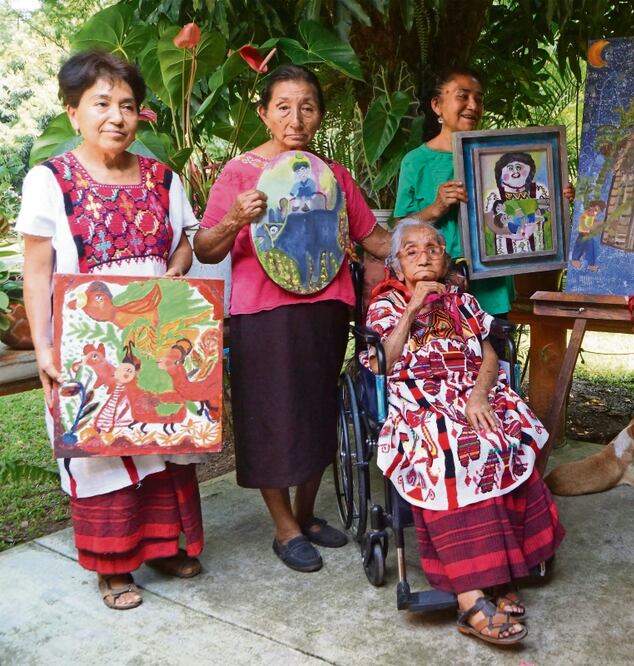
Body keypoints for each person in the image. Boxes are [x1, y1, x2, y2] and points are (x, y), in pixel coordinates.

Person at [19, 51, 204, 610]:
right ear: (73, 112)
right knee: (103, 448)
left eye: (127, 105)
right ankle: (113, 565)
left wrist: (175, 270)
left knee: (162, 438)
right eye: (101, 104)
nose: (116, 117)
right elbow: (36, 270)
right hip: (88, 341)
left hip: (152, 331)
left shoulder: (163, 179)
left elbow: (186, 241)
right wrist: (46, 347)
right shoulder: (49, 180)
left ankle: (164, 547)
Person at [194, 64, 391, 572]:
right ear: (264, 113)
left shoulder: (334, 176)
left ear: (320, 115)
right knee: (271, 419)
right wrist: (238, 217)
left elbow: (376, 240)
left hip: (326, 310)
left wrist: (436, 234)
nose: (295, 117)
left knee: (318, 412)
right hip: (264, 315)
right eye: (283, 106)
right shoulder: (239, 173)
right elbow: (206, 247)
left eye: (307, 106)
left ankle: (305, 515)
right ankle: (284, 530)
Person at [363, 219, 564, 646]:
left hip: (471, 393)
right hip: (417, 402)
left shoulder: (463, 302)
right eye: (412, 251)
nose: (424, 256)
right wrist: (414, 307)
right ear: (396, 266)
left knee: (508, 434)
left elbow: (489, 356)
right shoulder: (384, 305)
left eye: (433, 248)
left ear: (445, 258)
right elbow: (382, 365)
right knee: (453, 447)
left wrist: (478, 397)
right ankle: (471, 597)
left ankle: (503, 571)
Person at [394, 67, 573, 316]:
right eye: (463, 95)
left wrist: (555, 198)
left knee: (494, 351)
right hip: (436, 287)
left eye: (479, 98)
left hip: (491, 285)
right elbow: (400, 228)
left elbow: (521, 206)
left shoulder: (495, 158)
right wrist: (437, 206)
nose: (473, 105)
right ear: (437, 105)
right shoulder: (416, 162)